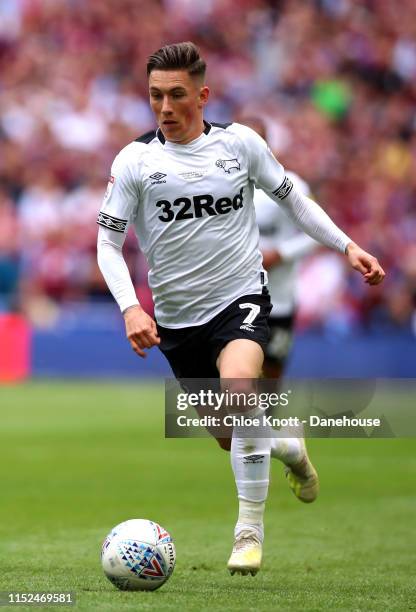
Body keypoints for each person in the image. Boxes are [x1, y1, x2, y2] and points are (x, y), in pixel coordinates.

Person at [97, 42, 385, 576]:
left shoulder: (240, 145)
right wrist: (131, 309)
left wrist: (347, 246)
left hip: (241, 300)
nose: (164, 106)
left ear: (202, 95)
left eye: (176, 95)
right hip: (178, 323)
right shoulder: (135, 161)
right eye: (156, 95)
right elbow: (108, 245)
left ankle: (248, 533)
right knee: (232, 433)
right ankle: (289, 447)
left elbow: (294, 200)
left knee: (239, 392)